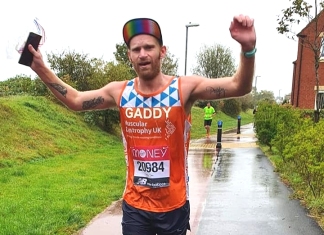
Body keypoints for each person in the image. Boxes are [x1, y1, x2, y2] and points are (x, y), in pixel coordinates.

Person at [27, 15, 256, 235]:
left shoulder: (183, 89)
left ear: (162, 52)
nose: (143, 54)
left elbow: (239, 86)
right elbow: (76, 101)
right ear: (129, 55)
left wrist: (248, 50)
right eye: (136, 50)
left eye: (149, 47)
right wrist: (40, 68)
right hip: (135, 205)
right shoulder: (120, 92)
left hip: (173, 206)